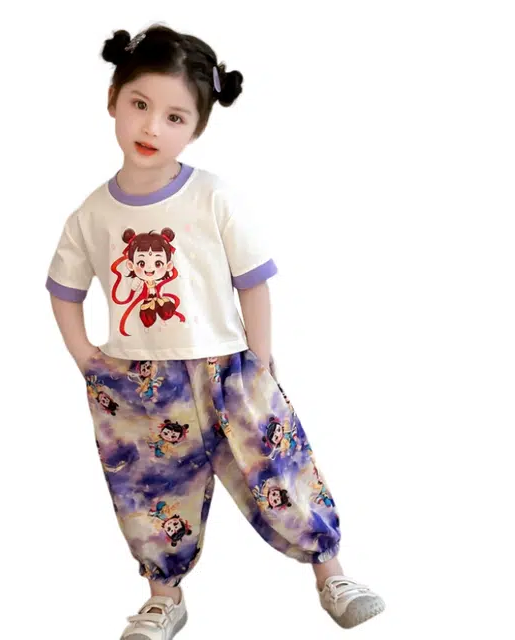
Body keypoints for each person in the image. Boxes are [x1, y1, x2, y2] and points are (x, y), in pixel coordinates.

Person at [46, 23, 385, 639]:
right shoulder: (92, 213)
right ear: (113, 100)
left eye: (175, 117)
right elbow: (64, 289)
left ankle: (331, 573)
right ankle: (163, 597)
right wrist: (86, 358)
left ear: (197, 127)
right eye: (140, 105)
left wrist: (261, 357)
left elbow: (253, 282)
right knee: (148, 487)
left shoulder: (213, 197)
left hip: (228, 365)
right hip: (137, 382)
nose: (152, 127)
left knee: (278, 463)